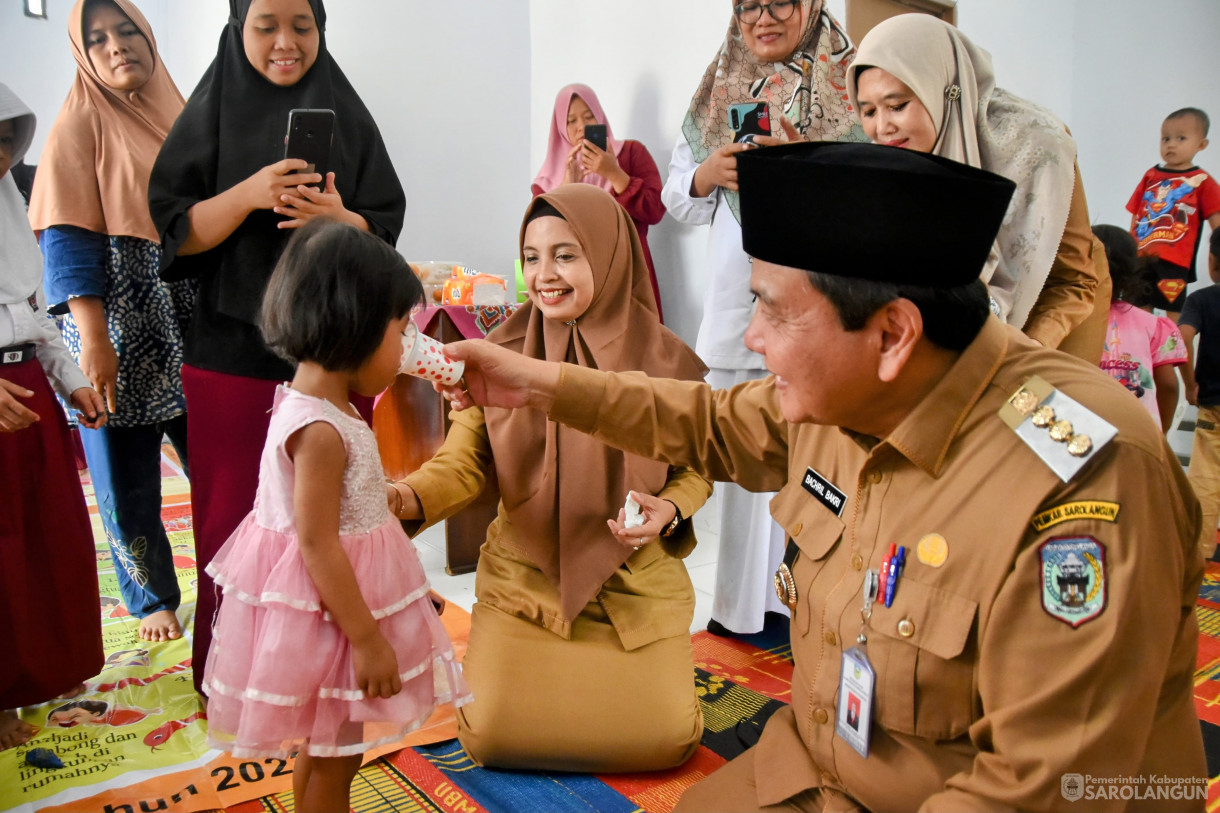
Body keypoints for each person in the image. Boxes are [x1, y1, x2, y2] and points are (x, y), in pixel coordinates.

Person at [436, 142, 1205, 811]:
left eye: (771, 308)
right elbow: (700, 422)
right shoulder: (849, 394)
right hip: (814, 771)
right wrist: (532, 381)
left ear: (893, 334)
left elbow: (1038, 789)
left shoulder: (1082, 483)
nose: (751, 336)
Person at [388, 184, 710, 772]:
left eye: (566, 254)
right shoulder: (499, 352)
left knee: (666, 740)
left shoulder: (666, 360)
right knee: (489, 737)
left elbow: (695, 466)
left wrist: (672, 508)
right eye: (531, 257)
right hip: (525, 580)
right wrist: (402, 498)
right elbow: (463, 462)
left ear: (610, 257)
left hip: (633, 584)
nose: (544, 275)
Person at [148, 0, 406, 691]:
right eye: (267, 26)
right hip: (231, 357)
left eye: (303, 25)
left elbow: (384, 223)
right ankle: (230, 682)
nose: (287, 43)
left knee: (332, 525)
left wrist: (339, 217)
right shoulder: (211, 110)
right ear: (239, 29)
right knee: (233, 523)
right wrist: (249, 194)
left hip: (331, 358)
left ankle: (320, 679)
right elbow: (173, 231)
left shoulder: (345, 113)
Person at [202, 219, 469, 812]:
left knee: (323, 751)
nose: (406, 350)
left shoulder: (319, 403)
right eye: (401, 332)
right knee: (335, 757)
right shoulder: (321, 428)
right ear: (356, 325)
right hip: (336, 617)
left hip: (331, 608)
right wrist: (370, 641)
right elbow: (318, 544)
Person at [660, 0, 866, 636]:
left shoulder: (851, 78)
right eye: (749, 4)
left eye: (780, 1)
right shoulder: (721, 80)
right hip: (733, 315)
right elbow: (677, 202)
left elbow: (870, 189)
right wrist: (707, 173)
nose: (763, 16)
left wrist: (805, 168)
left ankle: (797, 604)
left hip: (817, 312)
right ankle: (739, 613)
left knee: (813, 465)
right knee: (740, 472)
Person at [28, 0, 192, 643]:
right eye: (97, 40)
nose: (117, 45)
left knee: (216, 458)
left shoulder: (184, 120)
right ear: (83, 55)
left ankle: (234, 574)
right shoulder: (78, 123)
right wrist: (94, 339)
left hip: (186, 319)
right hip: (115, 324)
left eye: (127, 30)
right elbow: (65, 241)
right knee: (125, 480)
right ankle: (151, 596)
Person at [848, 13, 1111, 366]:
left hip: (1055, 319)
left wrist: (1017, 353)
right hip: (963, 331)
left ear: (944, 91)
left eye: (897, 106)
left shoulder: (1038, 145)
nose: (882, 127)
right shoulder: (894, 158)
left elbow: (1073, 281)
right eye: (867, 111)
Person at [0, 82, 107, 750]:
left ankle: (48, 665)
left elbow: (32, 314)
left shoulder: (12, 205)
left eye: (6, 140)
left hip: (28, 390)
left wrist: (70, 378)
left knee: (49, 535)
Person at [532, 84, 667, 320]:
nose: (581, 126)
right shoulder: (547, 181)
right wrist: (566, 189)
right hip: (571, 287)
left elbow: (655, 210)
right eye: (571, 120)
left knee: (637, 350)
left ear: (600, 116)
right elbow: (540, 241)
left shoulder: (631, 154)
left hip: (628, 278)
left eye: (588, 116)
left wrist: (614, 173)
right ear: (560, 128)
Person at [1127, 107, 1220, 320]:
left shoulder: (1201, 180)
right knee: (1139, 309)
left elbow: (1217, 220)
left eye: (1181, 138)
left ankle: (1173, 351)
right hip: (1142, 257)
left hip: (1174, 260)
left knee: (1174, 314)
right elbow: (1136, 212)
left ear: (1201, 144)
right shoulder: (1151, 175)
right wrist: (1131, 247)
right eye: (1165, 138)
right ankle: (1142, 351)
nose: (1171, 144)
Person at [1093, 224, 1186, 432]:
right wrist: (1159, 432)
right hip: (1139, 435)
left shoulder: (1063, 319)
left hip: (1080, 433)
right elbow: (1169, 386)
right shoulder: (1154, 325)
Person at [1179, 229, 1220, 558]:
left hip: (1212, 404)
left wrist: (1189, 382)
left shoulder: (1202, 300)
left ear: (1212, 261)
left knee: (1206, 478)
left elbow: (1184, 335)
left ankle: (1200, 553)